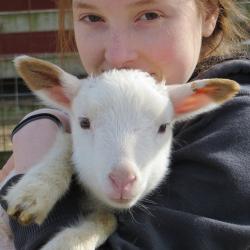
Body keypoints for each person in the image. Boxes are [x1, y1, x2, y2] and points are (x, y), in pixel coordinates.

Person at [0, 0, 250, 249]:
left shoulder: (237, 133)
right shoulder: (83, 110)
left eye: (150, 15)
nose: (118, 56)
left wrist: (35, 159)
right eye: (93, 18)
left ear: (208, 14)